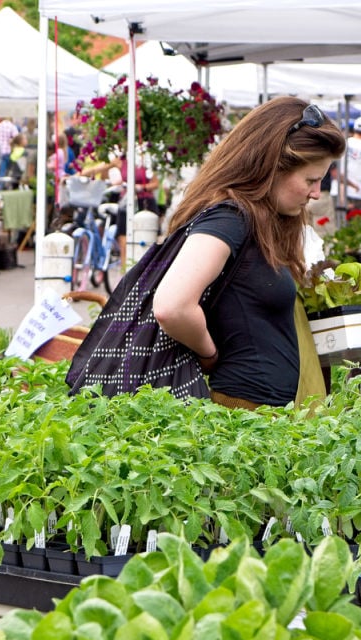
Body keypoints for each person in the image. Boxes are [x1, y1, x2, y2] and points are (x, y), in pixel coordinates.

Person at [153, 97, 346, 410]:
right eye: (311, 180)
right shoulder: (230, 217)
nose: (316, 192)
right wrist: (208, 354)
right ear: (273, 167)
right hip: (245, 414)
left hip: (264, 414)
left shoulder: (257, 219)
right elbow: (172, 306)